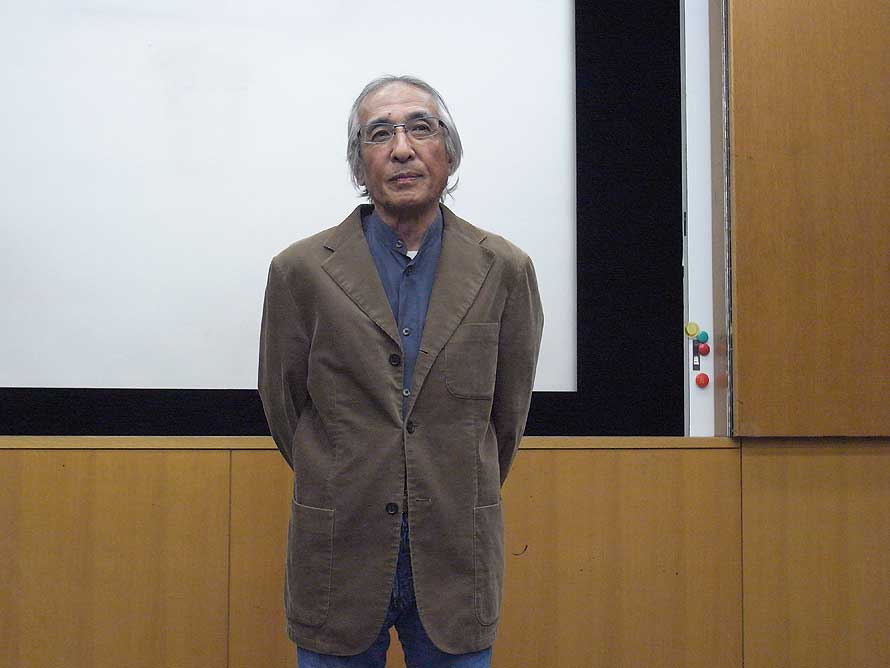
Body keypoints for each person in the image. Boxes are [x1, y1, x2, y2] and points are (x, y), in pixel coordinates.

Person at [258, 75, 543, 668]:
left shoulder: (505, 269)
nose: (403, 148)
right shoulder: (300, 271)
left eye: (421, 128)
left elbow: (508, 415)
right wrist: (345, 472)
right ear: (359, 164)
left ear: (449, 153)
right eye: (379, 134)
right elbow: (285, 406)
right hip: (339, 546)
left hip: (456, 552)